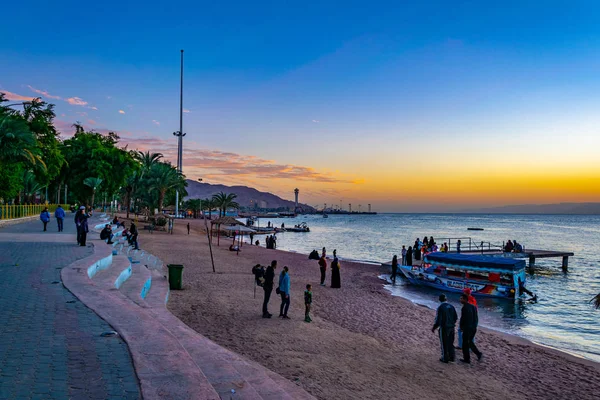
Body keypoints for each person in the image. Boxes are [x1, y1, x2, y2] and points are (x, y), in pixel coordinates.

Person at [432, 294, 457, 363]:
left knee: (444, 342)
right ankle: (452, 357)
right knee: (450, 342)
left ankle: (445, 357)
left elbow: (438, 319)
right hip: (452, 327)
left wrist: (434, 327)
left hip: (444, 327)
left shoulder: (440, 307)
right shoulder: (452, 306)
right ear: (446, 299)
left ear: (439, 299)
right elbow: (455, 317)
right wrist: (452, 323)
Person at [459, 294, 483, 363]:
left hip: (467, 328)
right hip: (473, 327)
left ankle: (467, 359)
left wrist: (461, 327)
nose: (460, 300)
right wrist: (475, 326)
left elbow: (463, 318)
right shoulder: (473, 307)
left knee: (465, 343)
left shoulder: (464, 308)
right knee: (469, 342)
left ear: (465, 300)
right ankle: (478, 354)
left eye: (461, 298)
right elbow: (476, 318)